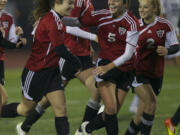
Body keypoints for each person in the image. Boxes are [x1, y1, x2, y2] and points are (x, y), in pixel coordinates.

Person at [15, 0, 101, 135]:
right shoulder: (71, 3)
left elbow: (81, 24)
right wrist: (94, 37)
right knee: (48, 100)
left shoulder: (86, 3)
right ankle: (25, 125)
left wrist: (88, 42)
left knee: (97, 90)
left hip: (82, 55)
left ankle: (83, 131)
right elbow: (68, 25)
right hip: (67, 56)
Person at [0, 0, 82, 135]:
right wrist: (78, 63)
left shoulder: (57, 18)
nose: (72, 7)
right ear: (58, 2)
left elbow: (74, 23)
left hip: (53, 72)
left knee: (61, 109)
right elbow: (60, 50)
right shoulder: (51, 20)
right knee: (25, 110)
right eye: (69, 3)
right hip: (36, 72)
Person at [63, 0, 139, 135]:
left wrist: (109, 67)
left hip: (126, 69)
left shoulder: (131, 22)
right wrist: (50, 19)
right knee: (111, 108)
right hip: (105, 66)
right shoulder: (101, 15)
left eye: (116, 1)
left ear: (125, 3)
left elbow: (128, 55)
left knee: (111, 112)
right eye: (110, 0)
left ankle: (86, 129)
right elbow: (74, 22)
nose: (112, 3)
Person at [123, 0, 180, 135]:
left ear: (155, 9)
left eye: (145, 7)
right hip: (138, 72)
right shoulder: (135, 27)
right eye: (140, 7)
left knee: (140, 116)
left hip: (156, 74)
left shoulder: (165, 25)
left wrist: (167, 50)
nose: (141, 10)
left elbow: (176, 46)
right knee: (152, 103)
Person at [0, 0, 26, 107]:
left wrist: (19, 36)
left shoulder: (8, 17)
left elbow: (12, 41)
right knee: (3, 99)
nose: (4, 0)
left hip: (0, 59)